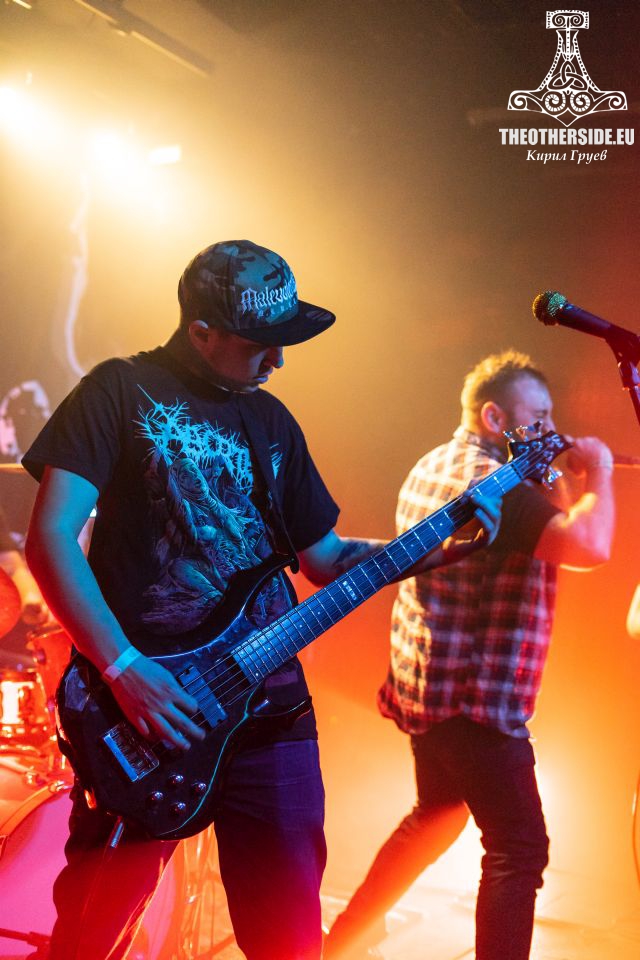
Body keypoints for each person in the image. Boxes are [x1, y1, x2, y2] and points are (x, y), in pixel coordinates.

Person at [22, 240, 501, 960]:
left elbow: (326, 561)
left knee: (288, 941)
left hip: (271, 710)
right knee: (92, 936)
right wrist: (124, 669)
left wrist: (440, 547)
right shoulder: (117, 391)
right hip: (152, 707)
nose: (277, 361)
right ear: (201, 332)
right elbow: (51, 537)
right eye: (260, 345)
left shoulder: (271, 421)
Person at [324, 350, 615, 960]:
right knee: (519, 848)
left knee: (437, 813)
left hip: (427, 687)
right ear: (494, 417)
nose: (551, 429)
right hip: (473, 702)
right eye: (538, 417)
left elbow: (548, 532)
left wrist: (558, 475)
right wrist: (600, 474)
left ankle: (343, 940)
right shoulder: (493, 484)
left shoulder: (435, 462)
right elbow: (588, 546)